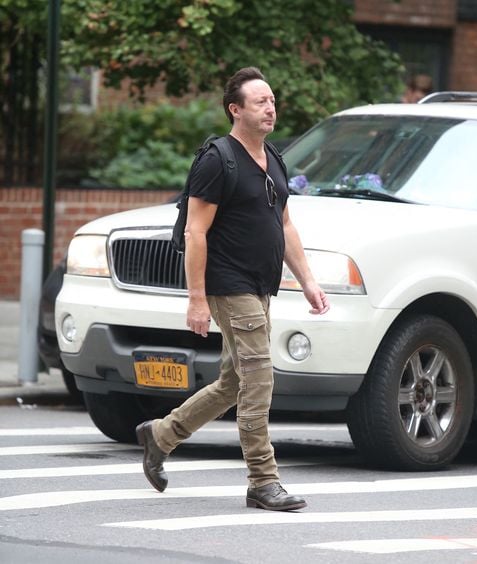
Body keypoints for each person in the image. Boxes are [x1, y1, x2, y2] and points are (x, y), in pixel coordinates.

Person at [136, 67, 330, 512]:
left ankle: (161, 435)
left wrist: (309, 282)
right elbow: (196, 233)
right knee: (259, 378)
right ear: (235, 109)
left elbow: (285, 225)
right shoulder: (216, 159)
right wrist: (197, 299)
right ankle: (263, 480)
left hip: (260, 285)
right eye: (260, 101)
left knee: (233, 382)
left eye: (273, 101)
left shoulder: (274, 158)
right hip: (228, 285)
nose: (270, 108)